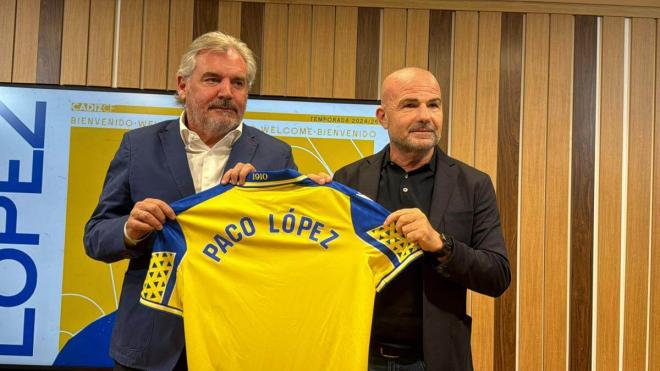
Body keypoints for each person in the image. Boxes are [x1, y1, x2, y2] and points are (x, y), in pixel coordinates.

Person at [84, 31, 296, 370]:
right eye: (212, 79)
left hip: (239, 343)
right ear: (183, 86)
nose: (226, 92)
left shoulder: (275, 155)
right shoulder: (138, 146)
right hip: (150, 344)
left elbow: (290, 247)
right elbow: (95, 237)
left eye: (238, 83)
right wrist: (130, 230)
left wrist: (263, 202)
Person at [330, 67, 511, 370]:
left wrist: (440, 244)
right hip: (360, 356)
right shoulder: (348, 178)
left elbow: (497, 275)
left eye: (434, 104)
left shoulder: (473, 184)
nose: (425, 115)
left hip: (435, 360)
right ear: (382, 117)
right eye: (410, 105)